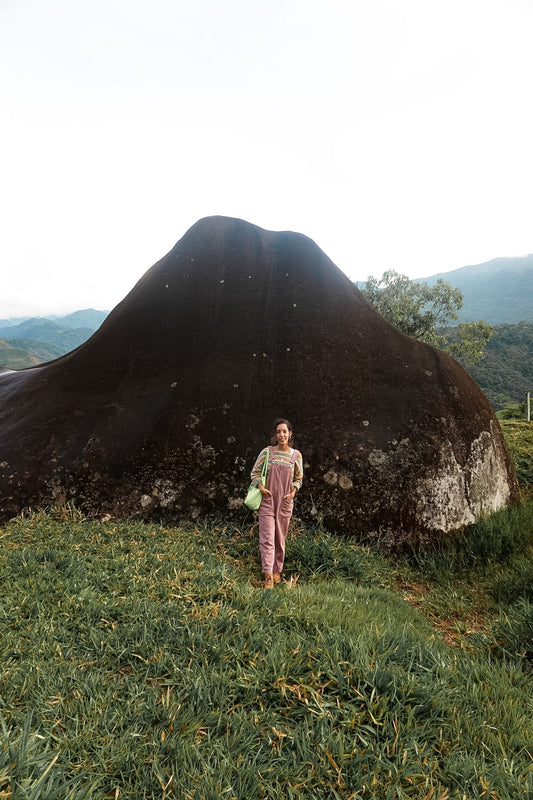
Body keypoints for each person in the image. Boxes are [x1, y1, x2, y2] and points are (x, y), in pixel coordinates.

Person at [250, 418, 303, 589]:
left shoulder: (296, 455)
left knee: (280, 538)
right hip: (268, 500)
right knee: (267, 538)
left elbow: (299, 478)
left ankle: (276, 572)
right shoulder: (267, 452)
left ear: (290, 434)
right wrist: (261, 488)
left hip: (285, 502)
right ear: (275, 434)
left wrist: (293, 492)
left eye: (284, 431)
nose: (281, 435)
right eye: (278, 432)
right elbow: (255, 473)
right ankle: (267, 577)